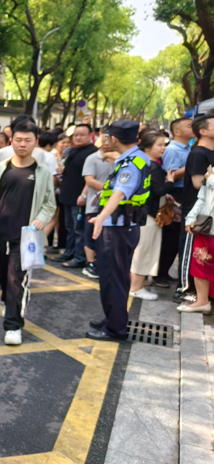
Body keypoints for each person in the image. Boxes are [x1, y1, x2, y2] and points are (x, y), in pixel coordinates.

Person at [0, 122, 56, 345]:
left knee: (16, 279)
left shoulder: (41, 172)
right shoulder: (0, 169)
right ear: (11, 140)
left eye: (28, 140)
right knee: (3, 275)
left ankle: (13, 325)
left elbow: (49, 204)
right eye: (18, 139)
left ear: (36, 141)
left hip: (26, 237)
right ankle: (8, 300)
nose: (22, 144)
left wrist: (40, 220)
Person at [87, 121, 151, 341]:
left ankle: (115, 329)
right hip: (125, 226)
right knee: (118, 277)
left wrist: (101, 217)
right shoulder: (137, 158)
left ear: (114, 139)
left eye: (107, 137)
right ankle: (113, 319)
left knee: (112, 278)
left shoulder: (130, 164)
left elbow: (120, 193)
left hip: (117, 228)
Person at [175, 114, 214, 304]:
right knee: (190, 250)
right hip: (196, 212)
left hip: (209, 210)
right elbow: (198, 183)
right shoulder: (198, 153)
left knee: (203, 254)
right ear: (203, 131)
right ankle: (184, 289)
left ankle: (201, 294)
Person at [129, 131, 171, 301]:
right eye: (160, 145)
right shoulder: (153, 167)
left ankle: (135, 285)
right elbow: (159, 190)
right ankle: (136, 287)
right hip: (148, 216)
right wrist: (170, 180)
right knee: (143, 253)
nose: (164, 148)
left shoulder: (141, 163)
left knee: (140, 252)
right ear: (147, 147)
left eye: (164, 144)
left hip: (140, 215)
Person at [52, 124, 97, 268]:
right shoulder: (71, 151)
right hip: (67, 195)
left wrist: (83, 196)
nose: (78, 138)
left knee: (79, 229)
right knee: (69, 227)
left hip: (80, 197)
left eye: (82, 135)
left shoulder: (92, 153)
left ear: (90, 136)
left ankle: (79, 257)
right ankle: (68, 252)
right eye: (75, 135)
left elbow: (91, 177)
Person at [157, 118, 193, 288]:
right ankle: (160, 274)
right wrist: (193, 165)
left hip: (183, 193)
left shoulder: (188, 148)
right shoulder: (172, 150)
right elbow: (170, 175)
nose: (193, 127)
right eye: (189, 126)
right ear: (177, 131)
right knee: (170, 237)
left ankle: (164, 272)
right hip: (174, 194)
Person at [81, 130, 115, 279]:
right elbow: (90, 181)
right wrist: (114, 191)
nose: (107, 143)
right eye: (104, 139)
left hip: (114, 206)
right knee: (91, 233)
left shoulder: (122, 159)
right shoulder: (92, 158)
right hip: (95, 204)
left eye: (110, 139)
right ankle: (90, 263)